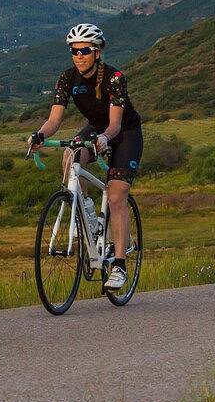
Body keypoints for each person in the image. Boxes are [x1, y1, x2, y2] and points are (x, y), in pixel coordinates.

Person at [28, 23, 143, 290]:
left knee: (116, 195)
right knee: (70, 157)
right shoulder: (67, 78)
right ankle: (87, 216)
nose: (78, 55)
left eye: (84, 50)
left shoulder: (114, 78)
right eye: (74, 50)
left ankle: (119, 265)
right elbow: (54, 119)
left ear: (97, 52)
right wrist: (40, 135)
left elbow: (114, 125)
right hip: (95, 128)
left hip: (124, 132)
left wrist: (103, 139)